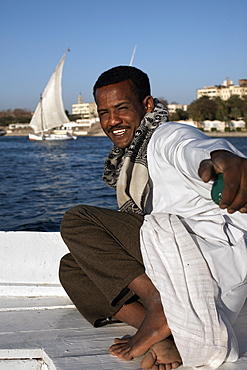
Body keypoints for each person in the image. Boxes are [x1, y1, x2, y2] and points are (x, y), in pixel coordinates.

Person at [59, 66, 247, 370]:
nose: (111, 121)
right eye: (104, 112)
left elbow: (192, 149)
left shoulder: (165, 135)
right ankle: (165, 335)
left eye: (122, 108)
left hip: (198, 261)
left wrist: (223, 159)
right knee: (72, 267)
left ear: (147, 105)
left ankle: (159, 307)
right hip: (170, 262)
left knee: (77, 221)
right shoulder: (130, 156)